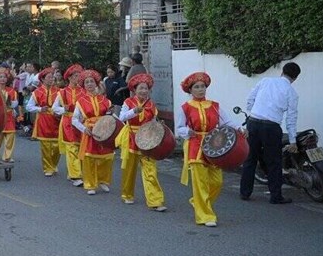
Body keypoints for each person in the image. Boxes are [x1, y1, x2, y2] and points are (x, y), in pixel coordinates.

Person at [177, 71, 244, 227]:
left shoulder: (215, 106)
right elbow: (179, 127)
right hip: (195, 145)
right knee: (200, 183)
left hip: (214, 145)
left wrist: (239, 128)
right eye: (197, 87)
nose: (201, 89)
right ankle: (205, 216)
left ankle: (198, 201)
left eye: (203, 87)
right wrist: (188, 132)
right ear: (190, 90)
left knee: (217, 182)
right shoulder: (185, 108)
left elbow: (227, 122)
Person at [239, 62, 301, 204]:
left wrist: (253, 112)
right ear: (295, 78)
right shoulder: (292, 93)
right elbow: (291, 119)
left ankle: (245, 192)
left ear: (282, 72)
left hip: (253, 123)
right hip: (271, 127)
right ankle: (275, 196)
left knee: (250, 159)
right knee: (273, 162)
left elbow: (250, 99)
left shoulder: (265, 81)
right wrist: (293, 141)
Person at [117, 73, 167, 211]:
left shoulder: (151, 104)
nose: (144, 91)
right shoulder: (128, 102)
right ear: (134, 90)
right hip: (131, 136)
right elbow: (122, 117)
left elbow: (152, 120)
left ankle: (155, 200)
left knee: (150, 169)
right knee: (130, 169)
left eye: (146, 88)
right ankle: (127, 194)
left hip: (147, 138)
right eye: (141, 88)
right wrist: (134, 111)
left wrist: (158, 125)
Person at [73, 69, 115, 195]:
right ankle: (90, 184)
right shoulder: (81, 101)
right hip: (89, 131)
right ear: (84, 85)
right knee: (89, 158)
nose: (90, 84)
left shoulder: (105, 100)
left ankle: (103, 180)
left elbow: (112, 116)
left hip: (104, 131)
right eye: (87, 82)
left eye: (92, 81)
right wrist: (84, 129)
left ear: (96, 83)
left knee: (106, 157)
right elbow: (74, 119)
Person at [52, 64, 85, 186]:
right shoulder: (63, 92)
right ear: (70, 78)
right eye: (76, 76)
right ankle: (75, 175)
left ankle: (75, 171)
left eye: (79, 76)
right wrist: (63, 110)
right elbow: (55, 108)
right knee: (72, 148)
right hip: (68, 122)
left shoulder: (84, 91)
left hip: (81, 122)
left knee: (81, 147)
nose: (78, 78)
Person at [26, 68, 61, 176]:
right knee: (46, 146)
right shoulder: (37, 92)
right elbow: (29, 107)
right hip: (44, 120)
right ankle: (48, 168)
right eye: (49, 77)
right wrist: (40, 109)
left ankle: (53, 165)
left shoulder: (59, 91)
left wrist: (60, 111)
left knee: (57, 147)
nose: (51, 79)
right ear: (43, 79)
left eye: (52, 77)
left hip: (56, 120)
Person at [0, 70, 18, 162]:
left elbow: (15, 103)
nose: (3, 79)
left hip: (9, 116)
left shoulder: (12, 91)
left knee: (10, 136)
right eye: (1, 77)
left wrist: (10, 104)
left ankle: (7, 156)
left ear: (7, 79)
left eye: (4, 77)